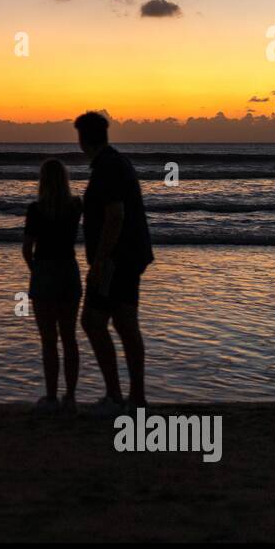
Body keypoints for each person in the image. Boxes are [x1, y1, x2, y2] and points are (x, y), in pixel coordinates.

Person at [74, 111, 154, 415]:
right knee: (123, 322)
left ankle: (117, 397)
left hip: (116, 260)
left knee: (93, 322)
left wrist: (100, 263)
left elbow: (115, 215)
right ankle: (134, 399)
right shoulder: (117, 162)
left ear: (83, 139)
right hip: (129, 256)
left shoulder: (107, 167)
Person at [22, 158, 83, 413]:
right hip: (68, 270)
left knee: (49, 340)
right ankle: (70, 396)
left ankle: (51, 396)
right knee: (69, 338)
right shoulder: (76, 205)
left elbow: (27, 249)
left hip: (44, 270)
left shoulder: (35, 209)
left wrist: (35, 270)